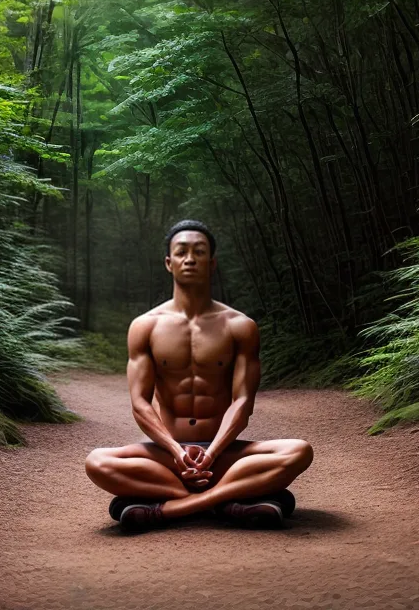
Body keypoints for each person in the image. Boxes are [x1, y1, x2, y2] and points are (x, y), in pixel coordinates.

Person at [84, 220, 313, 532]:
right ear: (169, 262)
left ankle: (171, 508)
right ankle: (228, 501)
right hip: (169, 454)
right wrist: (176, 452)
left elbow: (243, 401)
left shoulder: (239, 326)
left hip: (223, 452)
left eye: (199, 252)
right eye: (181, 252)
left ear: (212, 262)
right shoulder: (145, 326)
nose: (189, 258)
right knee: (97, 461)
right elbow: (140, 403)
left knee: (299, 451)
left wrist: (213, 451)